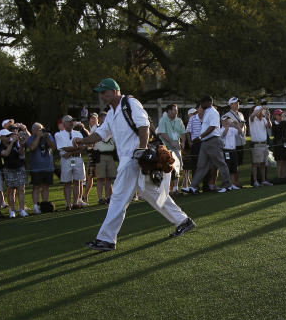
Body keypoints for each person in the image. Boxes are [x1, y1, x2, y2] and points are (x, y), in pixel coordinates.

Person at [78, 78, 194, 251]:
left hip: (134, 157)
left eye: (104, 92)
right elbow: (101, 134)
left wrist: (141, 149)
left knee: (118, 197)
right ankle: (183, 221)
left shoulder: (130, 102)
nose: (102, 96)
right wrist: (82, 140)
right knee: (151, 193)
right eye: (100, 93)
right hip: (130, 158)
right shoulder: (111, 112)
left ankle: (106, 239)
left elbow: (144, 126)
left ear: (114, 91)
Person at [190, 95, 233, 192]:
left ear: (209, 102)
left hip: (213, 140)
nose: (201, 104)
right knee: (201, 165)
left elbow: (212, 127)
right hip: (205, 142)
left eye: (203, 102)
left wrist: (200, 136)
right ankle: (193, 187)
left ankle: (227, 185)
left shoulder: (213, 112)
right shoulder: (206, 112)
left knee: (220, 163)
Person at [54, 115, 88, 209]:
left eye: (72, 121)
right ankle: (68, 204)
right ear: (64, 123)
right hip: (67, 160)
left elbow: (83, 147)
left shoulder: (78, 133)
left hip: (75, 158)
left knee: (77, 181)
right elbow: (65, 148)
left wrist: (71, 152)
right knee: (67, 182)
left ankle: (76, 202)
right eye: (69, 121)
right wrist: (75, 148)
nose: (71, 123)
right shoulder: (59, 134)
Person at [0, 127, 28, 217]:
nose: (9, 137)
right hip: (9, 170)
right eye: (7, 136)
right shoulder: (0, 146)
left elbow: (20, 153)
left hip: (19, 167)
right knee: (11, 191)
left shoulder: (16, 143)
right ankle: (12, 210)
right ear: (2, 138)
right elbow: (6, 153)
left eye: (9, 135)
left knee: (21, 189)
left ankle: (22, 209)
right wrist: (12, 142)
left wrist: (22, 144)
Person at [156, 104, 186, 192]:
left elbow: (183, 132)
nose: (176, 112)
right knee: (166, 168)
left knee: (177, 166)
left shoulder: (179, 121)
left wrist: (183, 142)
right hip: (165, 149)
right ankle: (165, 189)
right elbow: (162, 133)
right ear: (168, 111)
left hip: (176, 147)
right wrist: (171, 142)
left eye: (177, 110)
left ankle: (175, 188)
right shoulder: (163, 120)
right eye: (174, 110)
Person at [246, 105, 272, 186]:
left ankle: (263, 180)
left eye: (262, 112)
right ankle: (255, 181)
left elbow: (270, 126)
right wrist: (262, 108)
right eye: (260, 112)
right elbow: (253, 115)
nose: (261, 113)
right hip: (256, 145)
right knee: (255, 164)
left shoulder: (264, 119)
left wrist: (268, 118)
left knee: (263, 163)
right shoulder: (252, 119)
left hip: (264, 144)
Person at [223, 97, 248, 184]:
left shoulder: (241, 114)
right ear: (230, 105)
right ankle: (232, 183)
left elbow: (244, 126)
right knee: (233, 164)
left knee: (239, 164)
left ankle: (236, 183)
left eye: (238, 103)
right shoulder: (227, 115)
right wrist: (239, 126)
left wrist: (243, 128)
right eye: (235, 103)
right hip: (233, 144)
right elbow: (228, 128)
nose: (237, 104)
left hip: (241, 142)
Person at [220, 115, 242, 191]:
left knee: (233, 168)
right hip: (226, 151)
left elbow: (240, 133)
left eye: (228, 120)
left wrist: (237, 125)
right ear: (222, 122)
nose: (227, 122)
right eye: (225, 121)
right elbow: (223, 135)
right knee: (227, 168)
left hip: (233, 151)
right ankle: (227, 185)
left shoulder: (232, 129)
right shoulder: (221, 129)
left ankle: (232, 184)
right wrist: (227, 127)